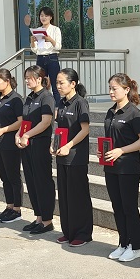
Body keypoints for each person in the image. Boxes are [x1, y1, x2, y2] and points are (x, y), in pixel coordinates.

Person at [103, 73, 140, 262]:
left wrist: (121, 150)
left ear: (126, 89)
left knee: (129, 207)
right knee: (117, 206)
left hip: (128, 168)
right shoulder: (110, 111)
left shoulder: (133, 113)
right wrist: (104, 152)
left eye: (114, 88)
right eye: (110, 88)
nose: (111, 92)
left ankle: (136, 245)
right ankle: (123, 243)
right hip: (111, 166)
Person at [52, 68, 93, 247]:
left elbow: (85, 130)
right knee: (65, 195)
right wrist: (54, 144)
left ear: (73, 84)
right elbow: (60, 129)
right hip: (61, 156)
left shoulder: (80, 103)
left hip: (76, 157)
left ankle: (82, 234)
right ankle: (68, 232)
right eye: (57, 83)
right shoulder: (61, 103)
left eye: (61, 82)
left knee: (78, 196)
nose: (58, 86)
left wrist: (68, 146)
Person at [17, 65, 57, 235]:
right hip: (27, 144)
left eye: (29, 78)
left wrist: (27, 135)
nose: (26, 81)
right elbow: (25, 121)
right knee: (31, 181)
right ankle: (39, 218)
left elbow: (45, 122)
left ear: (39, 79)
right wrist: (19, 135)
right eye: (25, 78)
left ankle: (47, 221)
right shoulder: (29, 97)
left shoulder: (46, 97)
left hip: (40, 143)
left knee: (42, 181)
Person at [0, 68, 24, 223]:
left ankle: (17, 209)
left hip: (9, 143)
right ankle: (9, 206)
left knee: (13, 176)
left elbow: (21, 122)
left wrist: (3, 130)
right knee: (4, 177)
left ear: (7, 81)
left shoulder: (16, 99)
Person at [29, 6, 62, 98]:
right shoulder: (38, 30)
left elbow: (58, 47)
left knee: (55, 85)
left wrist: (50, 39)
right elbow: (35, 50)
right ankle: (42, 103)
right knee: (40, 85)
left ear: (51, 17)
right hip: (40, 58)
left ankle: (57, 105)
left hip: (52, 58)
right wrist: (32, 41)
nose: (43, 18)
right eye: (41, 15)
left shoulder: (55, 29)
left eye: (46, 16)